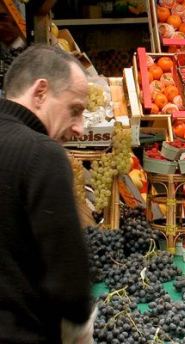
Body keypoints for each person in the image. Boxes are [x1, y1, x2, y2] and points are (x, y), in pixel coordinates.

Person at [0, 45, 94, 343]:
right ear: (40, 92)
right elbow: (70, 281)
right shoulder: (42, 155)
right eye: (75, 110)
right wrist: (80, 319)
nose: (79, 129)